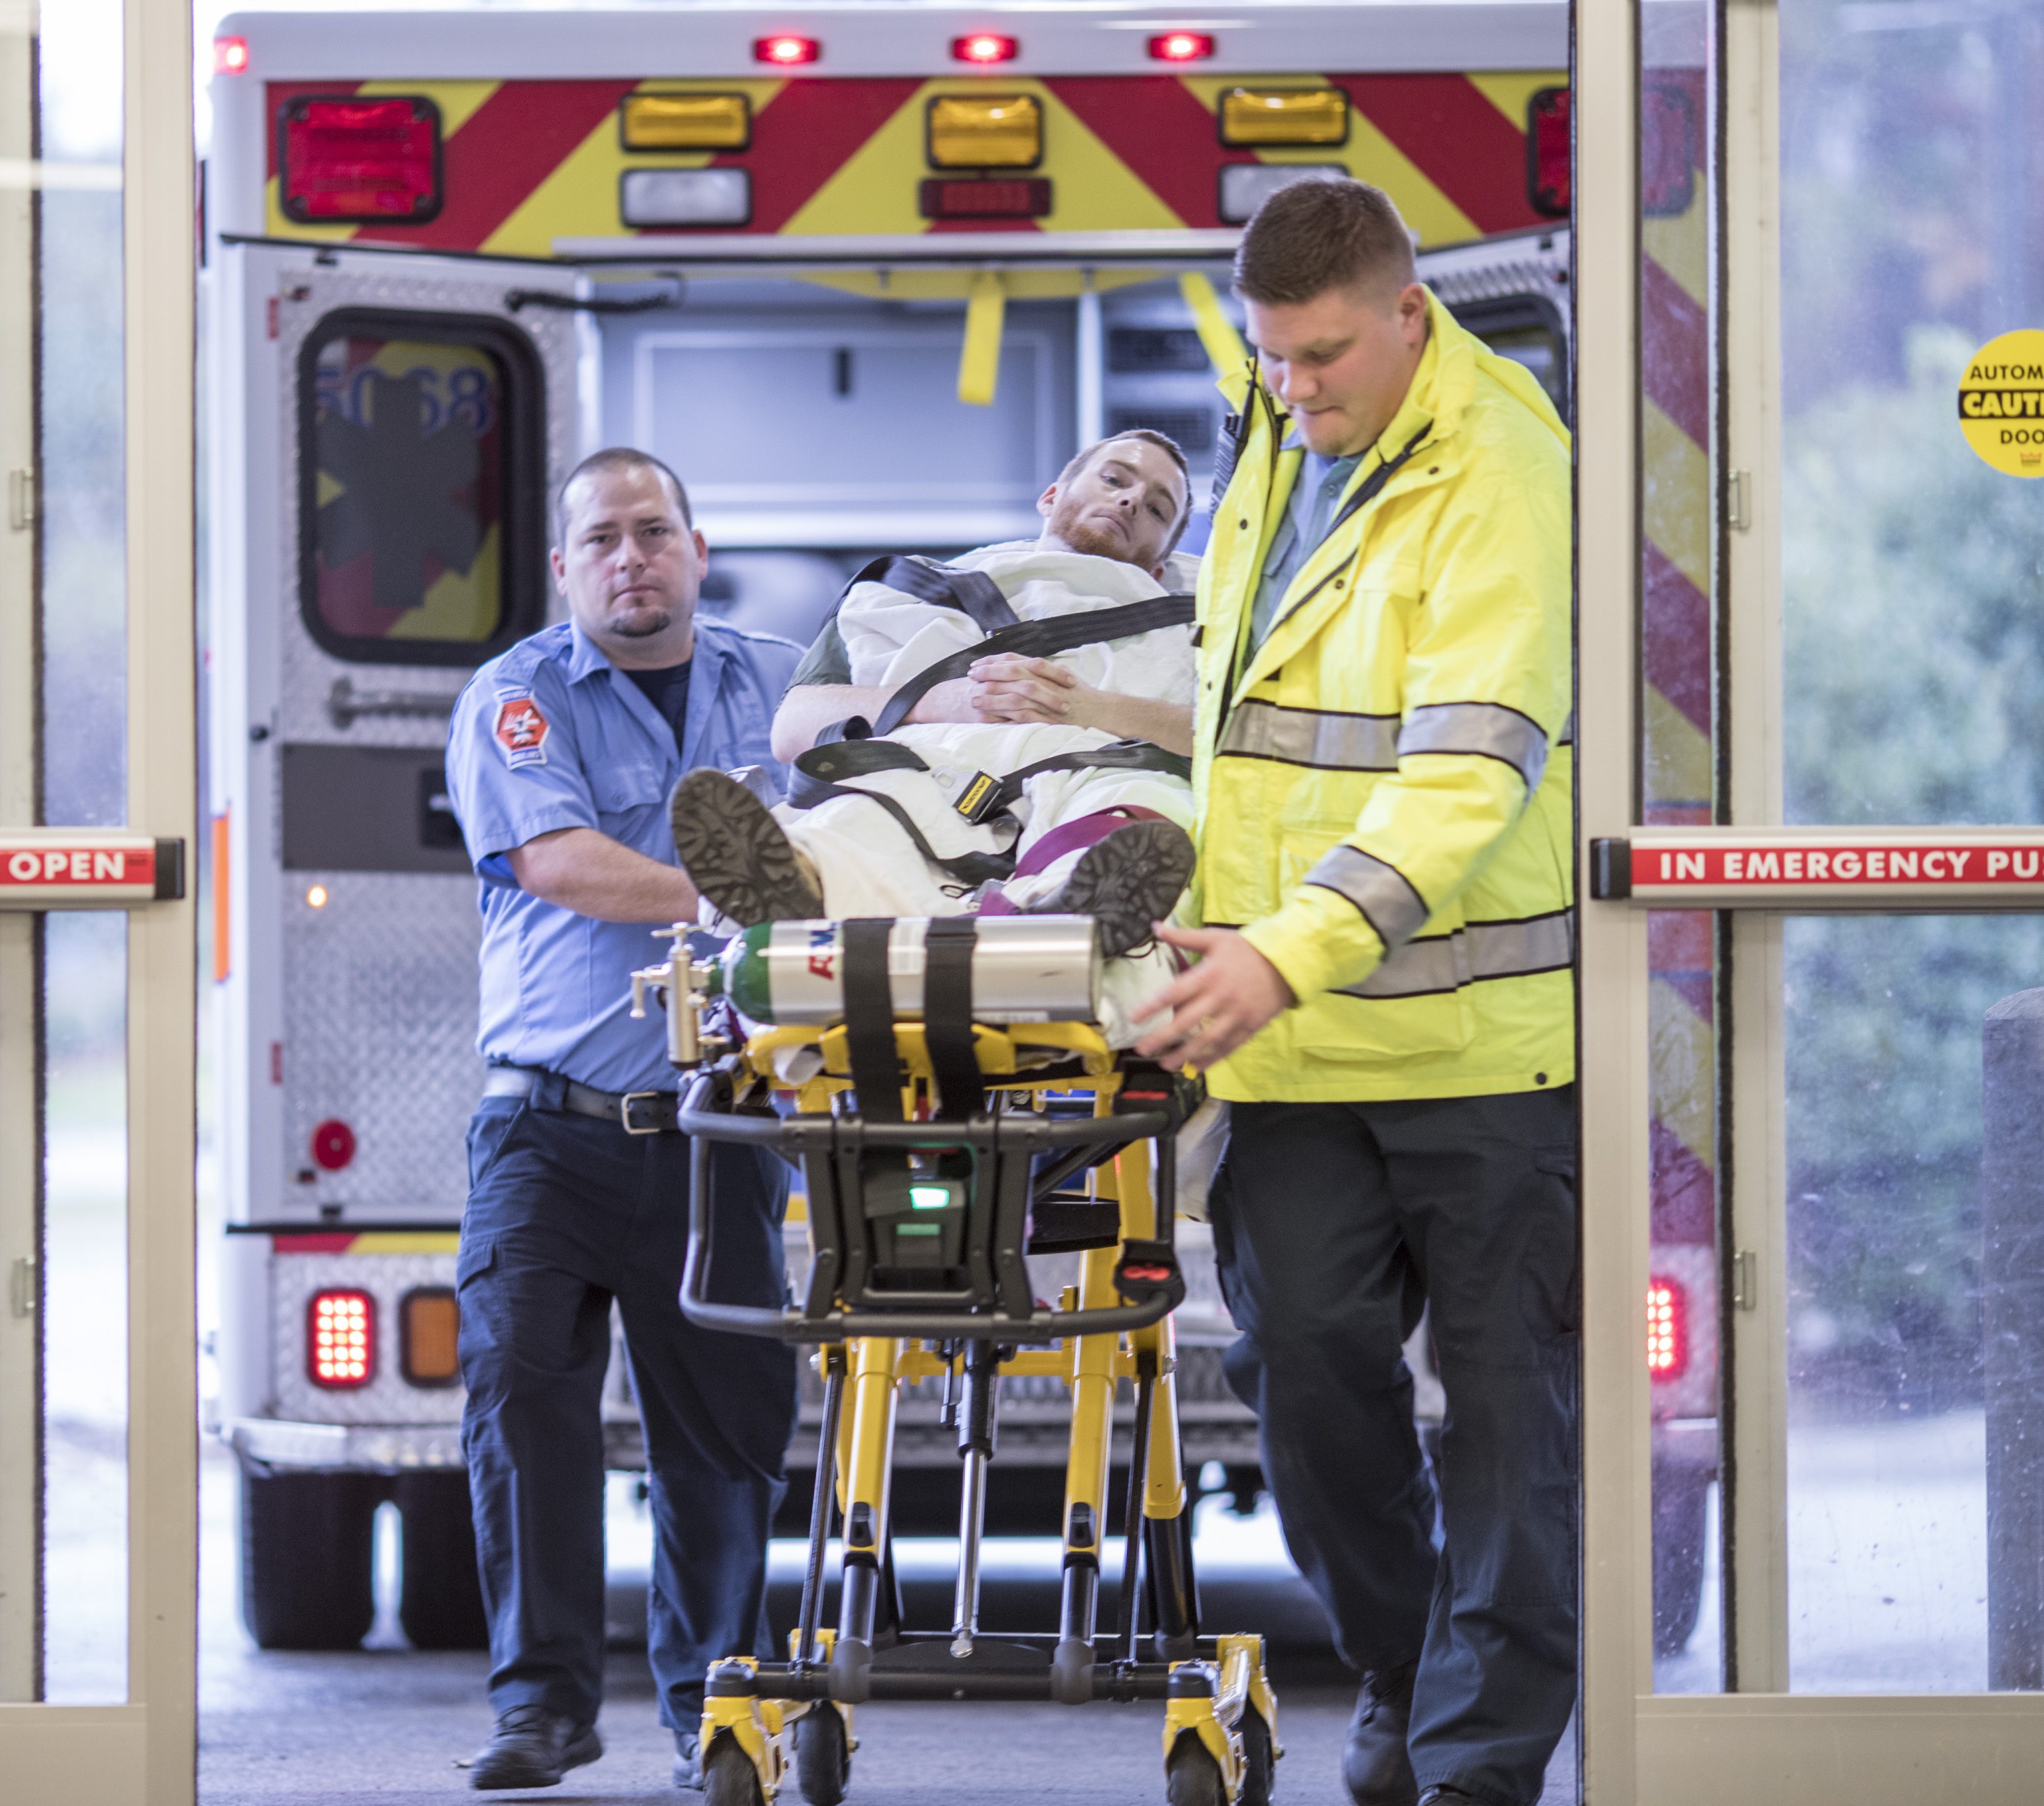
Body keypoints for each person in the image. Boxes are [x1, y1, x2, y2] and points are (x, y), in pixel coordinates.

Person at [1129, 179, 1577, 1806]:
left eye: (1322, 357)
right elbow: (1241, 719)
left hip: (1480, 1051)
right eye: (1269, 361)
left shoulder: (1505, 474)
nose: (1295, 390)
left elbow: (1464, 783)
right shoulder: (1282, 446)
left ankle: (1475, 1764)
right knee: (1305, 1373)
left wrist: (1276, 949)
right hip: (1296, 1048)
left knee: (1513, 1424)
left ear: (1408, 315)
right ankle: (1403, 1656)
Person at [444, 447, 801, 1794]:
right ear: (566, 567)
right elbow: (559, 863)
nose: (631, 557)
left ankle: (718, 1705)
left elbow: (885, 785)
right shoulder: (519, 699)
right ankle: (541, 1708)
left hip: (723, 1130)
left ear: (698, 551)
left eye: (655, 532)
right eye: (603, 537)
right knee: (525, 1401)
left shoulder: (779, 686)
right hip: (547, 1129)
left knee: (720, 1435)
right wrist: (728, 897)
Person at [667, 430, 1201, 1005]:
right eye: (1116, 479)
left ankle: (1065, 908)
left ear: (1160, 564)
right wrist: (937, 701)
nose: (1129, 502)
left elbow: (1221, 739)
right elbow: (794, 731)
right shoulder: (906, 592)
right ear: (1051, 495)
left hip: (1095, 768)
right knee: (861, 810)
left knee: (1135, 814)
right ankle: (796, 882)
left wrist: (1088, 708)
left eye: (1156, 508)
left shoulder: (1198, 626)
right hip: (932, 767)